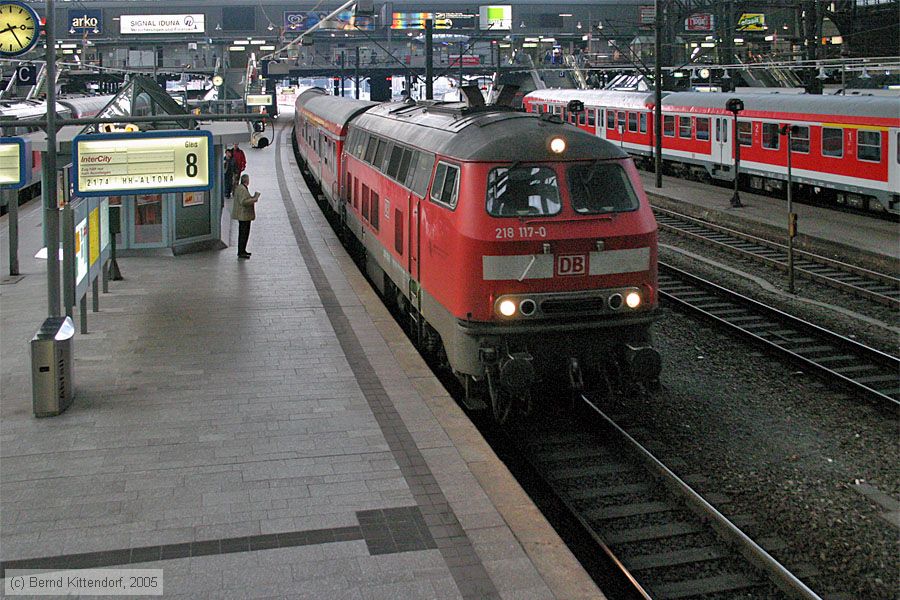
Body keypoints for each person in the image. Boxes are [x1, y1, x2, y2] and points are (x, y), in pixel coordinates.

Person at [232, 174, 259, 259]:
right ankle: (241, 252)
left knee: (244, 233)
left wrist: (252, 197)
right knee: (243, 234)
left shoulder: (241, 188)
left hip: (244, 215)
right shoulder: (242, 189)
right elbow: (243, 202)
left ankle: (243, 250)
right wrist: (254, 199)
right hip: (243, 215)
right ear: (246, 181)